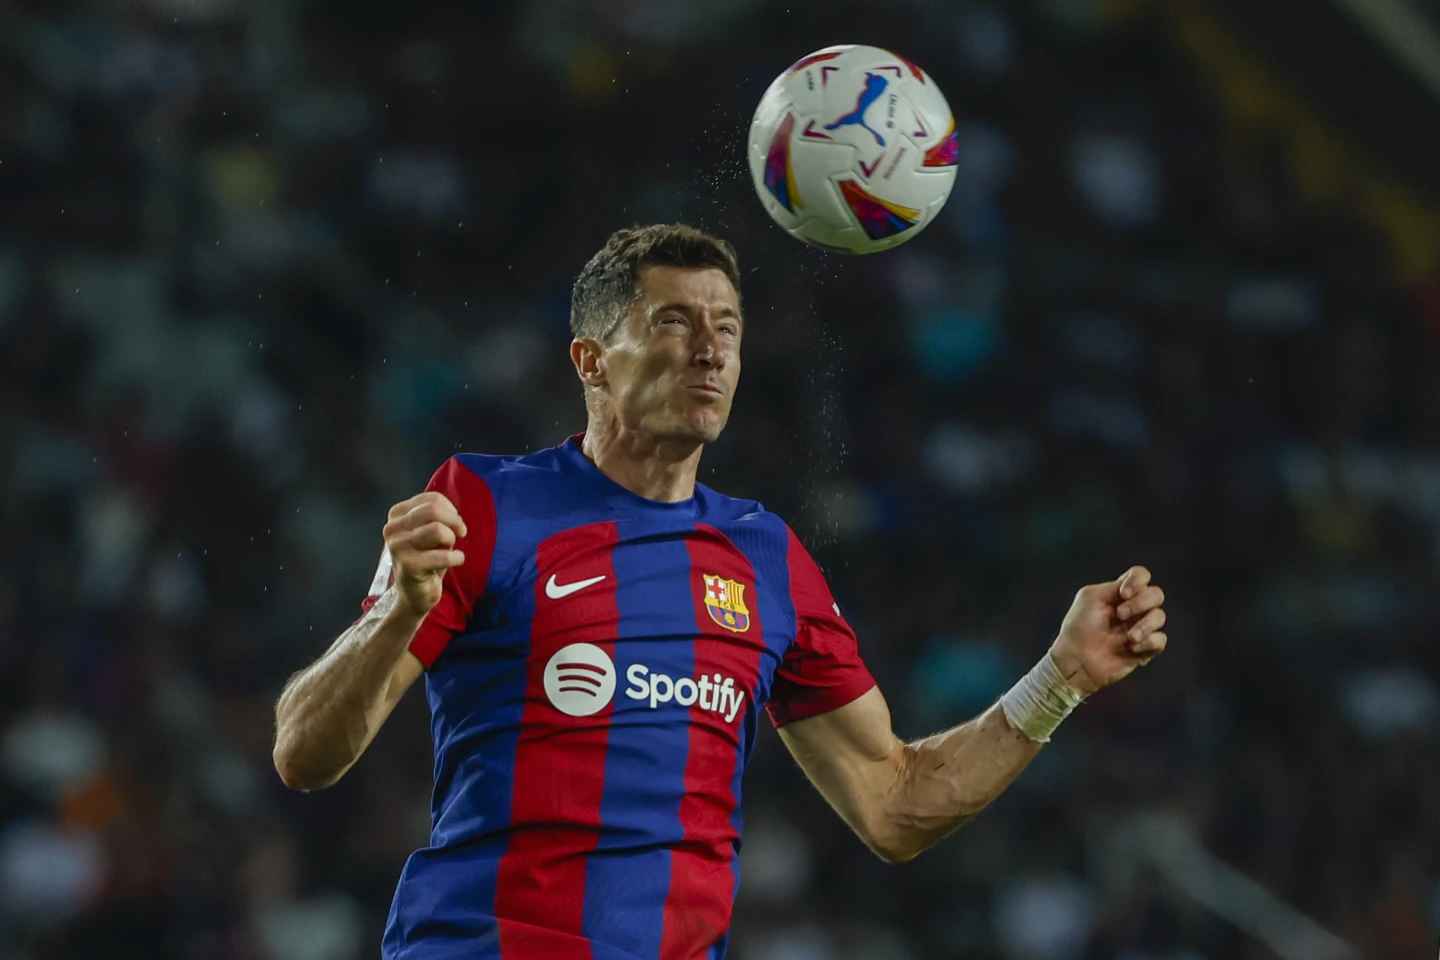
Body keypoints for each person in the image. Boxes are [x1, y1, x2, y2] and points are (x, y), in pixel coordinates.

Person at [271, 223, 1169, 960]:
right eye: (672, 322)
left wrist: (1062, 677)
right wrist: (399, 617)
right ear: (592, 360)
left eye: (728, 327)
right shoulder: (484, 505)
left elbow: (893, 804)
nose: (709, 350)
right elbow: (303, 753)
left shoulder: (765, 558)